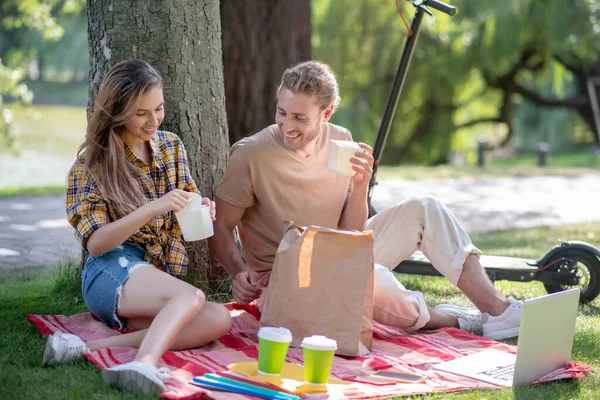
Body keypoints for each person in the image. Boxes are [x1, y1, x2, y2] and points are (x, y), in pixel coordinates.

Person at [209, 60, 522, 341]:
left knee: (425, 208)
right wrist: (238, 273)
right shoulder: (250, 154)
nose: (287, 125)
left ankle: (498, 311)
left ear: (326, 112)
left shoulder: (341, 140)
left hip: (339, 257)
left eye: (299, 118)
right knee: (373, 279)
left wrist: (359, 187)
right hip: (285, 284)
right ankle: (456, 319)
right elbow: (221, 227)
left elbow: (350, 232)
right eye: (281, 113)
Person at [42, 59, 231, 397]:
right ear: (116, 111)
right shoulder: (91, 164)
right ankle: (142, 363)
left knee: (217, 319)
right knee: (191, 296)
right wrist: (151, 208)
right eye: (141, 113)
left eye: (158, 109)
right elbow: (97, 245)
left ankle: (86, 346)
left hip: (153, 277)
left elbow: (186, 198)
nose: (153, 120)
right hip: (109, 270)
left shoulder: (171, 146)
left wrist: (201, 206)